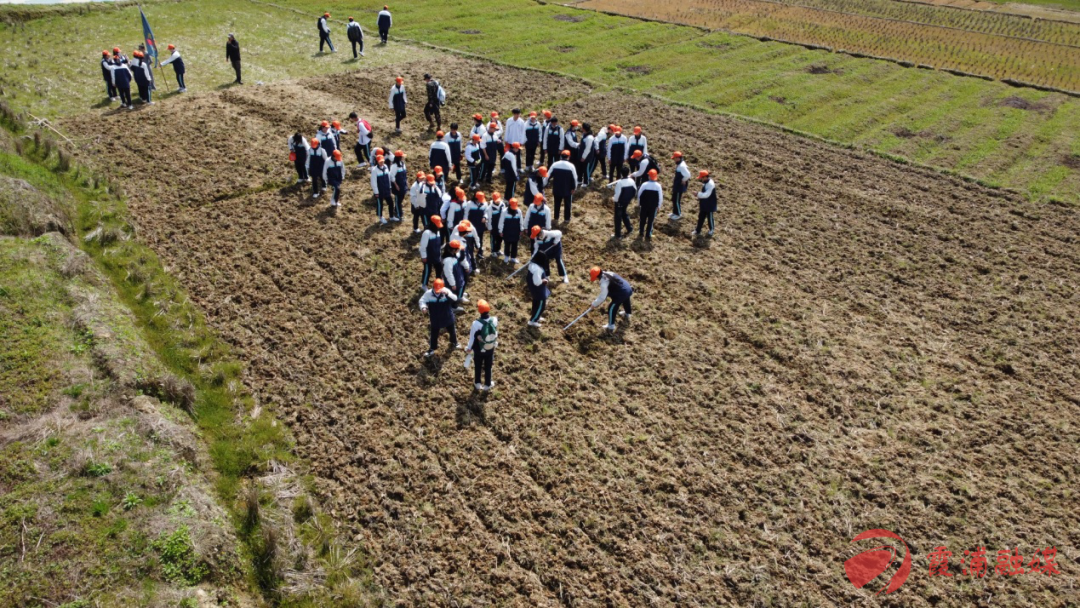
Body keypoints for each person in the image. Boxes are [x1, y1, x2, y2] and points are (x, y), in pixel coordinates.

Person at [418, 278, 458, 357]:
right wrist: (423, 307)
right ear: (433, 287)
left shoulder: (446, 291)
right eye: (436, 290)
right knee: (434, 334)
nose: (437, 292)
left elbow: (455, 298)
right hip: (435, 317)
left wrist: (447, 294)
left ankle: (454, 343)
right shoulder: (428, 294)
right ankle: (432, 348)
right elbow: (422, 301)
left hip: (447, 316)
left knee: (452, 331)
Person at [588, 266, 634, 332]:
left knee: (611, 308)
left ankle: (611, 326)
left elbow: (602, 297)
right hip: (628, 287)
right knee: (626, 299)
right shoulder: (608, 273)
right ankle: (628, 313)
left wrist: (594, 304)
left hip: (622, 292)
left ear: (597, 277)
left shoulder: (604, 283)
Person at [466, 300, 498, 391]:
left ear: (479, 311)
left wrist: (469, 348)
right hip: (490, 348)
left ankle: (477, 383)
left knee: (478, 366)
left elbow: (472, 338)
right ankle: (487, 384)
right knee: (488, 366)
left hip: (479, 350)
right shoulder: (494, 320)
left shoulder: (476, 324)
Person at [549, 150, 578, 224]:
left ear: (561, 156)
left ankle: (556, 218)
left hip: (557, 188)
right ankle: (567, 219)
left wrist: (543, 184)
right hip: (567, 189)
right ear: (568, 157)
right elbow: (575, 178)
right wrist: (574, 188)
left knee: (557, 203)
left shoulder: (555, 164)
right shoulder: (571, 166)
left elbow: (548, 176)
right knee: (567, 204)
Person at [442, 239, 470, 308]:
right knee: (453, 294)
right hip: (453, 282)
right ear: (453, 250)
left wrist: (463, 252)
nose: (459, 250)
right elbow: (448, 274)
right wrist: (452, 284)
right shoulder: (447, 261)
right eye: (458, 249)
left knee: (458, 291)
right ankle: (453, 307)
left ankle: (457, 300)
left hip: (458, 278)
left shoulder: (454, 255)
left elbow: (461, 258)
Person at [525, 252, 550, 329]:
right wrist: (544, 280)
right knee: (541, 305)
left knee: (535, 303)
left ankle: (536, 316)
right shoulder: (538, 270)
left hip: (533, 289)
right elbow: (537, 282)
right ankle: (533, 320)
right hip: (539, 290)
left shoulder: (532, 265)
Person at [637, 169, 663, 240]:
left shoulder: (644, 184)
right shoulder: (658, 186)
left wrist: (639, 203)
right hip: (653, 206)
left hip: (644, 205)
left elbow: (639, 194)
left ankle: (641, 231)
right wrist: (659, 206)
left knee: (642, 219)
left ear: (649, 176)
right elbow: (660, 197)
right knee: (650, 220)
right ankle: (648, 234)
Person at [419, 215, 443, 289]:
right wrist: (424, 256)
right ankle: (424, 284)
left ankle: (439, 284)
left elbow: (438, 245)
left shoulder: (438, 232)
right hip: (428, 256)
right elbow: (422, 246)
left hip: (437, 255)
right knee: (427, 270)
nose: (438, 227)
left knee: (439, 270)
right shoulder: (427, 233)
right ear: (432, 224)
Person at [611, 166, 635, 239]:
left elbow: (617, 194)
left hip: (619, 202)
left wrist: (614, 199)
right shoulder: (632, 181)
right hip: (627, 201)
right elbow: (635, 191)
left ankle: (618, 235)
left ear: (621, 174)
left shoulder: (620, 183)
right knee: (624, 213)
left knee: (618, 218)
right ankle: (629, 228)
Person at [465, 191, 490, 259]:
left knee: (479, 239)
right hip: (471, 225)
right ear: (476, 198)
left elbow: (486, 212)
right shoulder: (469, 203)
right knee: (470, 240)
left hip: (480, 225)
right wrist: (465, 223)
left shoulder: (485, 204)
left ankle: (479, 253)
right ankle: (470, 254)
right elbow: (466, 214)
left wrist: (485, 217)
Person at [692, 170, 717, 237]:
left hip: (710, 204)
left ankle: (711, 230)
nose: (701, 179)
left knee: (710, 217)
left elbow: (706, 195)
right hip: (704, 203)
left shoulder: (710, 184)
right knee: (701, 217)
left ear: (706, 177)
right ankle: (698, 230)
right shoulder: (705, 182)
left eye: (702, 178)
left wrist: (698, 194)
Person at [499, 197, 523, 264]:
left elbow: (521, 221)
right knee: (507, 244)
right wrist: (500, 231)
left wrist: (521, 229)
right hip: (507, 231)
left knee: (515, 245)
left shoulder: (519, 211)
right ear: (509, 205)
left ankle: (513, 257)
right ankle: (506, 256)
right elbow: (501, 222)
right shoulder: (504, 212)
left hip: (516, 231)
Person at [372, 154, 392, 224]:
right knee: (380, 204)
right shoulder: (374, 170)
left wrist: (390, 187)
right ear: (377, 161)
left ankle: (391, 216)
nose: (382, 163)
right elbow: (373, 182)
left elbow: (389, 177)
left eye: (382, 161)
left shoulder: (386, 167)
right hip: (380, 191)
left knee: (391, 203)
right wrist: (376, 192)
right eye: (380, 161)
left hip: (386, 189)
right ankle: (380, 217)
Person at [670, 151, 691, 220]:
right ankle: (674, 212)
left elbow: (688, 175)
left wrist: (684, 180)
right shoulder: (680, 165)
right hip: (677, 184)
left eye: (675, 158)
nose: (674, 160)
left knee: (676, 200)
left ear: (678, 158)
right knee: (674, 198)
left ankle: (678, 214)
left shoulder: (682, 166)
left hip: (679, 186)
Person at [390, 150, 407, 222]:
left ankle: (396, 209)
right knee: (398, 200)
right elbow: (392, 176)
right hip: (397, 185)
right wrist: (396, 185)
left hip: (403, 184)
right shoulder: (394, 166)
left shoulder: (402, 164)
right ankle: (399, 214)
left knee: (401, 198)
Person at [487, 192, 505, 259]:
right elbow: (489, 218)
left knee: (500, 239)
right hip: (493, 226)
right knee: (493, 239)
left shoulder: (502, 205)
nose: (497, 202)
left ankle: (498, 250)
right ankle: (493, 251)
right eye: (496, 201)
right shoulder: (490, 208)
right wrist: (490, 227)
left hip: (501, 226)